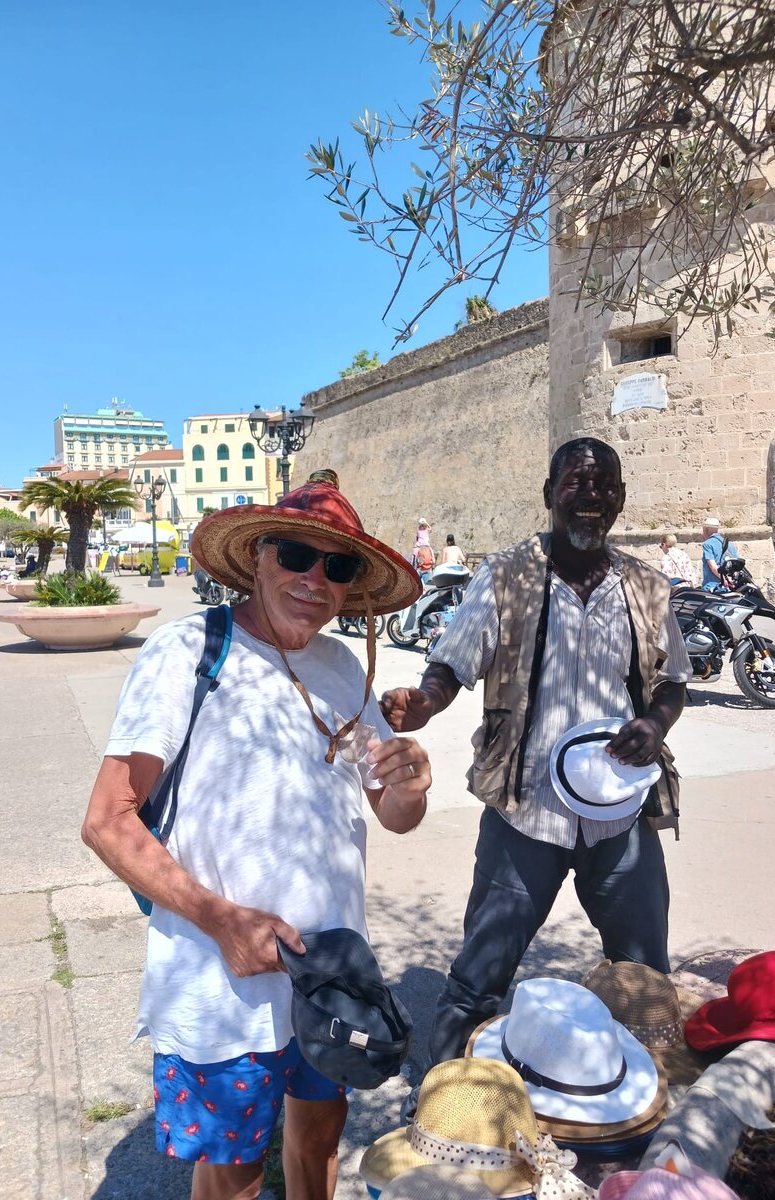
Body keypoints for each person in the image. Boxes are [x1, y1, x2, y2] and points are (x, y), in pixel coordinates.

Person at [81, 477, 430, 1200]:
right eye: (298, 555)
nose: (315, 580)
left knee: (318, 1140)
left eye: (337, 567)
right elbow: (108, 819)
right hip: (221, 978)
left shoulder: (340, 668)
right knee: (233, 1172)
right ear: (260, 558)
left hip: (333, 969)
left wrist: (409, 785)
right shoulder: (189, 650)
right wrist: (221, 920)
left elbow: (392, 813)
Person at [382, 437, 691, 1067]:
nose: (591, 497)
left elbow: (675, 684)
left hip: (619, 819)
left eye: (604, 486)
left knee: (645, 980)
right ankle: (445, 1098)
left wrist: (655, 724)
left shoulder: (648, 589)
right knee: (478, 978)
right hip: (526, 812)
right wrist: (426, 701)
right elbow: (452, 663)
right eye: (576, 485)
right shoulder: (505, 579)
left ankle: (639, 1110)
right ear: (550, 495)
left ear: (620, 500)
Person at [701, 517, 737, 591]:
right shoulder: (729, 544)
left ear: (706, 530)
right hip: (729, 588)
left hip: (713, 587)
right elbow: (736, 563)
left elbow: (713, 566)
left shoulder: (707, 544)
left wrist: (723, 579)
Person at [412, 519, 435, 584]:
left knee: (414, 556)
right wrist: (427, 523)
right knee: (432, 556)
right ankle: (432, 567)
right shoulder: (427, 529)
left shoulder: (418, 531)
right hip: (426, 546)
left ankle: (414, 568)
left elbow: (416, 539)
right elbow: (430, 528)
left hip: (419, 546)